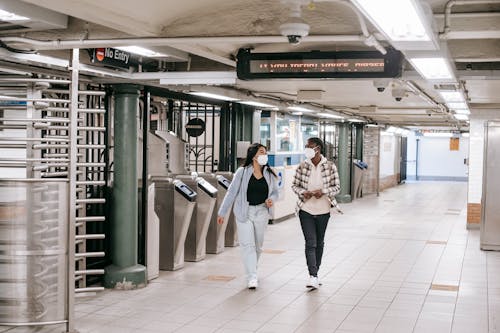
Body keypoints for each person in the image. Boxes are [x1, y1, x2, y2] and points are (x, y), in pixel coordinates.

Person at [217, 143, 278, 290]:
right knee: (247, 245)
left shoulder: (270, 173)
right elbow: (231, 193)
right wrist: (222, 212)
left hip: (262, 212)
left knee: (258, 246)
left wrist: (272, 200)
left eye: (265, 152)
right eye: (262, 152)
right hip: (245, 212)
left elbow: (275, 193)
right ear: (254, 156)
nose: (265, 155)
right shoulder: (242, 172)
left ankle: (252, 270)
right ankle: (252, 276)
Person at [292, 137, 340, 290]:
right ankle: (312, 275)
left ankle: (316, 274)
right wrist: (303, 192)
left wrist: (323, 192)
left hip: (324, 210)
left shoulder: (330, 166)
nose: (307, 148)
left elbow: (337, 187)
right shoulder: (302, 166)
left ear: (317, 149)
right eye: (306, 146)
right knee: (310, 242)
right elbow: (294, 185)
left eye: (309, 146)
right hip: (305, 209)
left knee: (319, 243)